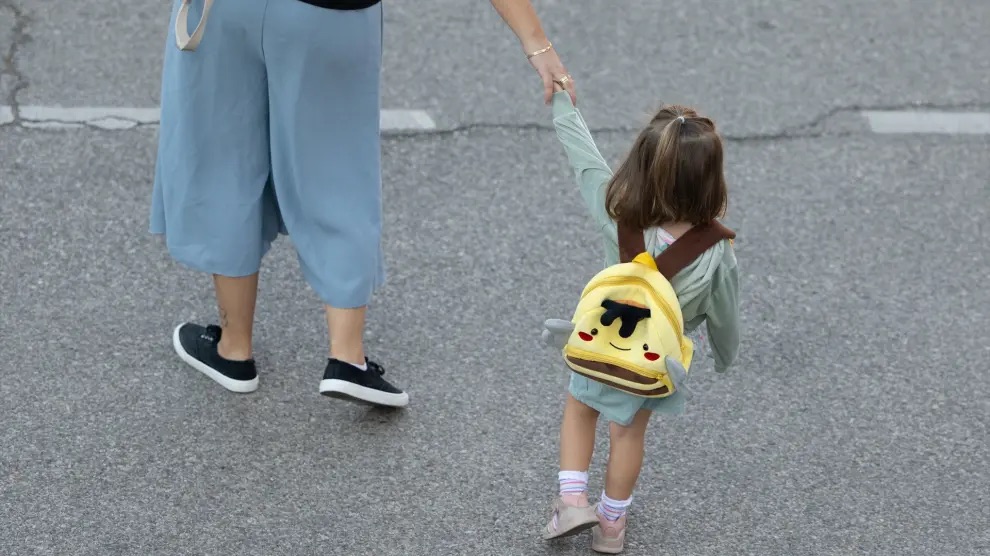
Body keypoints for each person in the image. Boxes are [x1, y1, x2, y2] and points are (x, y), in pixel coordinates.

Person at [149, 0, 575, 407]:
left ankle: (233, 348)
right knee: (338, 173)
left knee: (226, 165)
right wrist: (537, 44)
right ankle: (347, 358)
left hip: (226, 11)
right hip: (329, 19)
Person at [540, 85, 741, 552]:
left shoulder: (620, 214)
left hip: (600, 342)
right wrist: (726, 356)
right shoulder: (717, 250)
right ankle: (611, 526)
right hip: (654, 361)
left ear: (642, 166)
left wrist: (563, 106)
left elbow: (583, 159)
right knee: (628, 432)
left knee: (580, 408)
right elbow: (724, 312)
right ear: (711, 180)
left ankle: (572, 500)